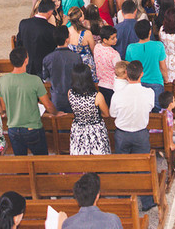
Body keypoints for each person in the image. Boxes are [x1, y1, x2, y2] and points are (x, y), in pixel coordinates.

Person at [110, 60, 156, 210]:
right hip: (140, 134)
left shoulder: (118, 94)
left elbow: (112, 114)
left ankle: (124, 200)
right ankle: (147, 202)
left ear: (126, 76)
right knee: (143, 167)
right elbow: (149, 108)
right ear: (141, 74)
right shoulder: (149, 93)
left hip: (122, 135)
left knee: (122, 167)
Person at [0, 47, 57, 156]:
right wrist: (56, 113)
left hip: (13, 129)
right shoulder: (34, 80)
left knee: (22, 164)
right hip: (32, 129)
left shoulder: (2, 81)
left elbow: (4, 107)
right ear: (26, 60)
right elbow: (48, 105)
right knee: (42, 161)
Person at [67, 64, 111, 155]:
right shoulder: (97, 96)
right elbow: (106, 114)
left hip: (78, 130)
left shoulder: (70, 93)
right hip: (96, 132)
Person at [125, 20, 167, 102]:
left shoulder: (130, 48)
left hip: (139, 83)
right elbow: (163, 67)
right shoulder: (159, 45)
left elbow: (129, 67)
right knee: (157, 110)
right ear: (150, 32)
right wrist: (166, 79)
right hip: (156, 82)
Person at [44, 25, 80, 114]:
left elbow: (45, 77)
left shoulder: (48, 59)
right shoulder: (76, 57)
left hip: (57, 97)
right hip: (74, 96)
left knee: (60, 124)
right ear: (67, 39)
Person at [92, 24, 121, 105]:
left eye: (115, 37)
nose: (116, 39)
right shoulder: (114, 54)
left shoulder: (97, 47)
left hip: (101, 84)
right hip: (112, 86)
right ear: (104, 40)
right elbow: (119, 71)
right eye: (113, 38)